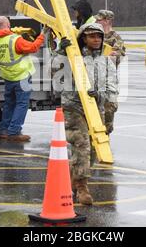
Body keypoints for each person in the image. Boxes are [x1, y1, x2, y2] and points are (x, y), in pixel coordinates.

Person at [51, 23, 117, 205]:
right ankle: (82, 187)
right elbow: (56, 77)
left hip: (96, 108)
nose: (96, 40)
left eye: (99, 36)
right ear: (83, 38)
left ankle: (76, 178)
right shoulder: (72, 57)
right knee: (81, 145)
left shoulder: (105, 61)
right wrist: (60, 53)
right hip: (74, 106)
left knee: (95, 148)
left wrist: (103, 97)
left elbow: (112, 85)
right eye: (91, 36)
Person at [0, 16, 45, 142]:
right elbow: (33, 48)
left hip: (8, 77)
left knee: (9, 103)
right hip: (22, 76)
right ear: (8, 25)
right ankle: (14, 132)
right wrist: (42, 35)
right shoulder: (15, 39)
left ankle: (4, 130)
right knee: (21, 104)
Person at [95, 9, 126, 135]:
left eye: (100, 19)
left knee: (110, 107)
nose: (97, 21)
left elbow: (118, 56)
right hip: (93, 77)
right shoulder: (95, 35)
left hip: (108, 78)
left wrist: (112, 56)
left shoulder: (116, 38)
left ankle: (106, 132)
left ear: (107, 21)